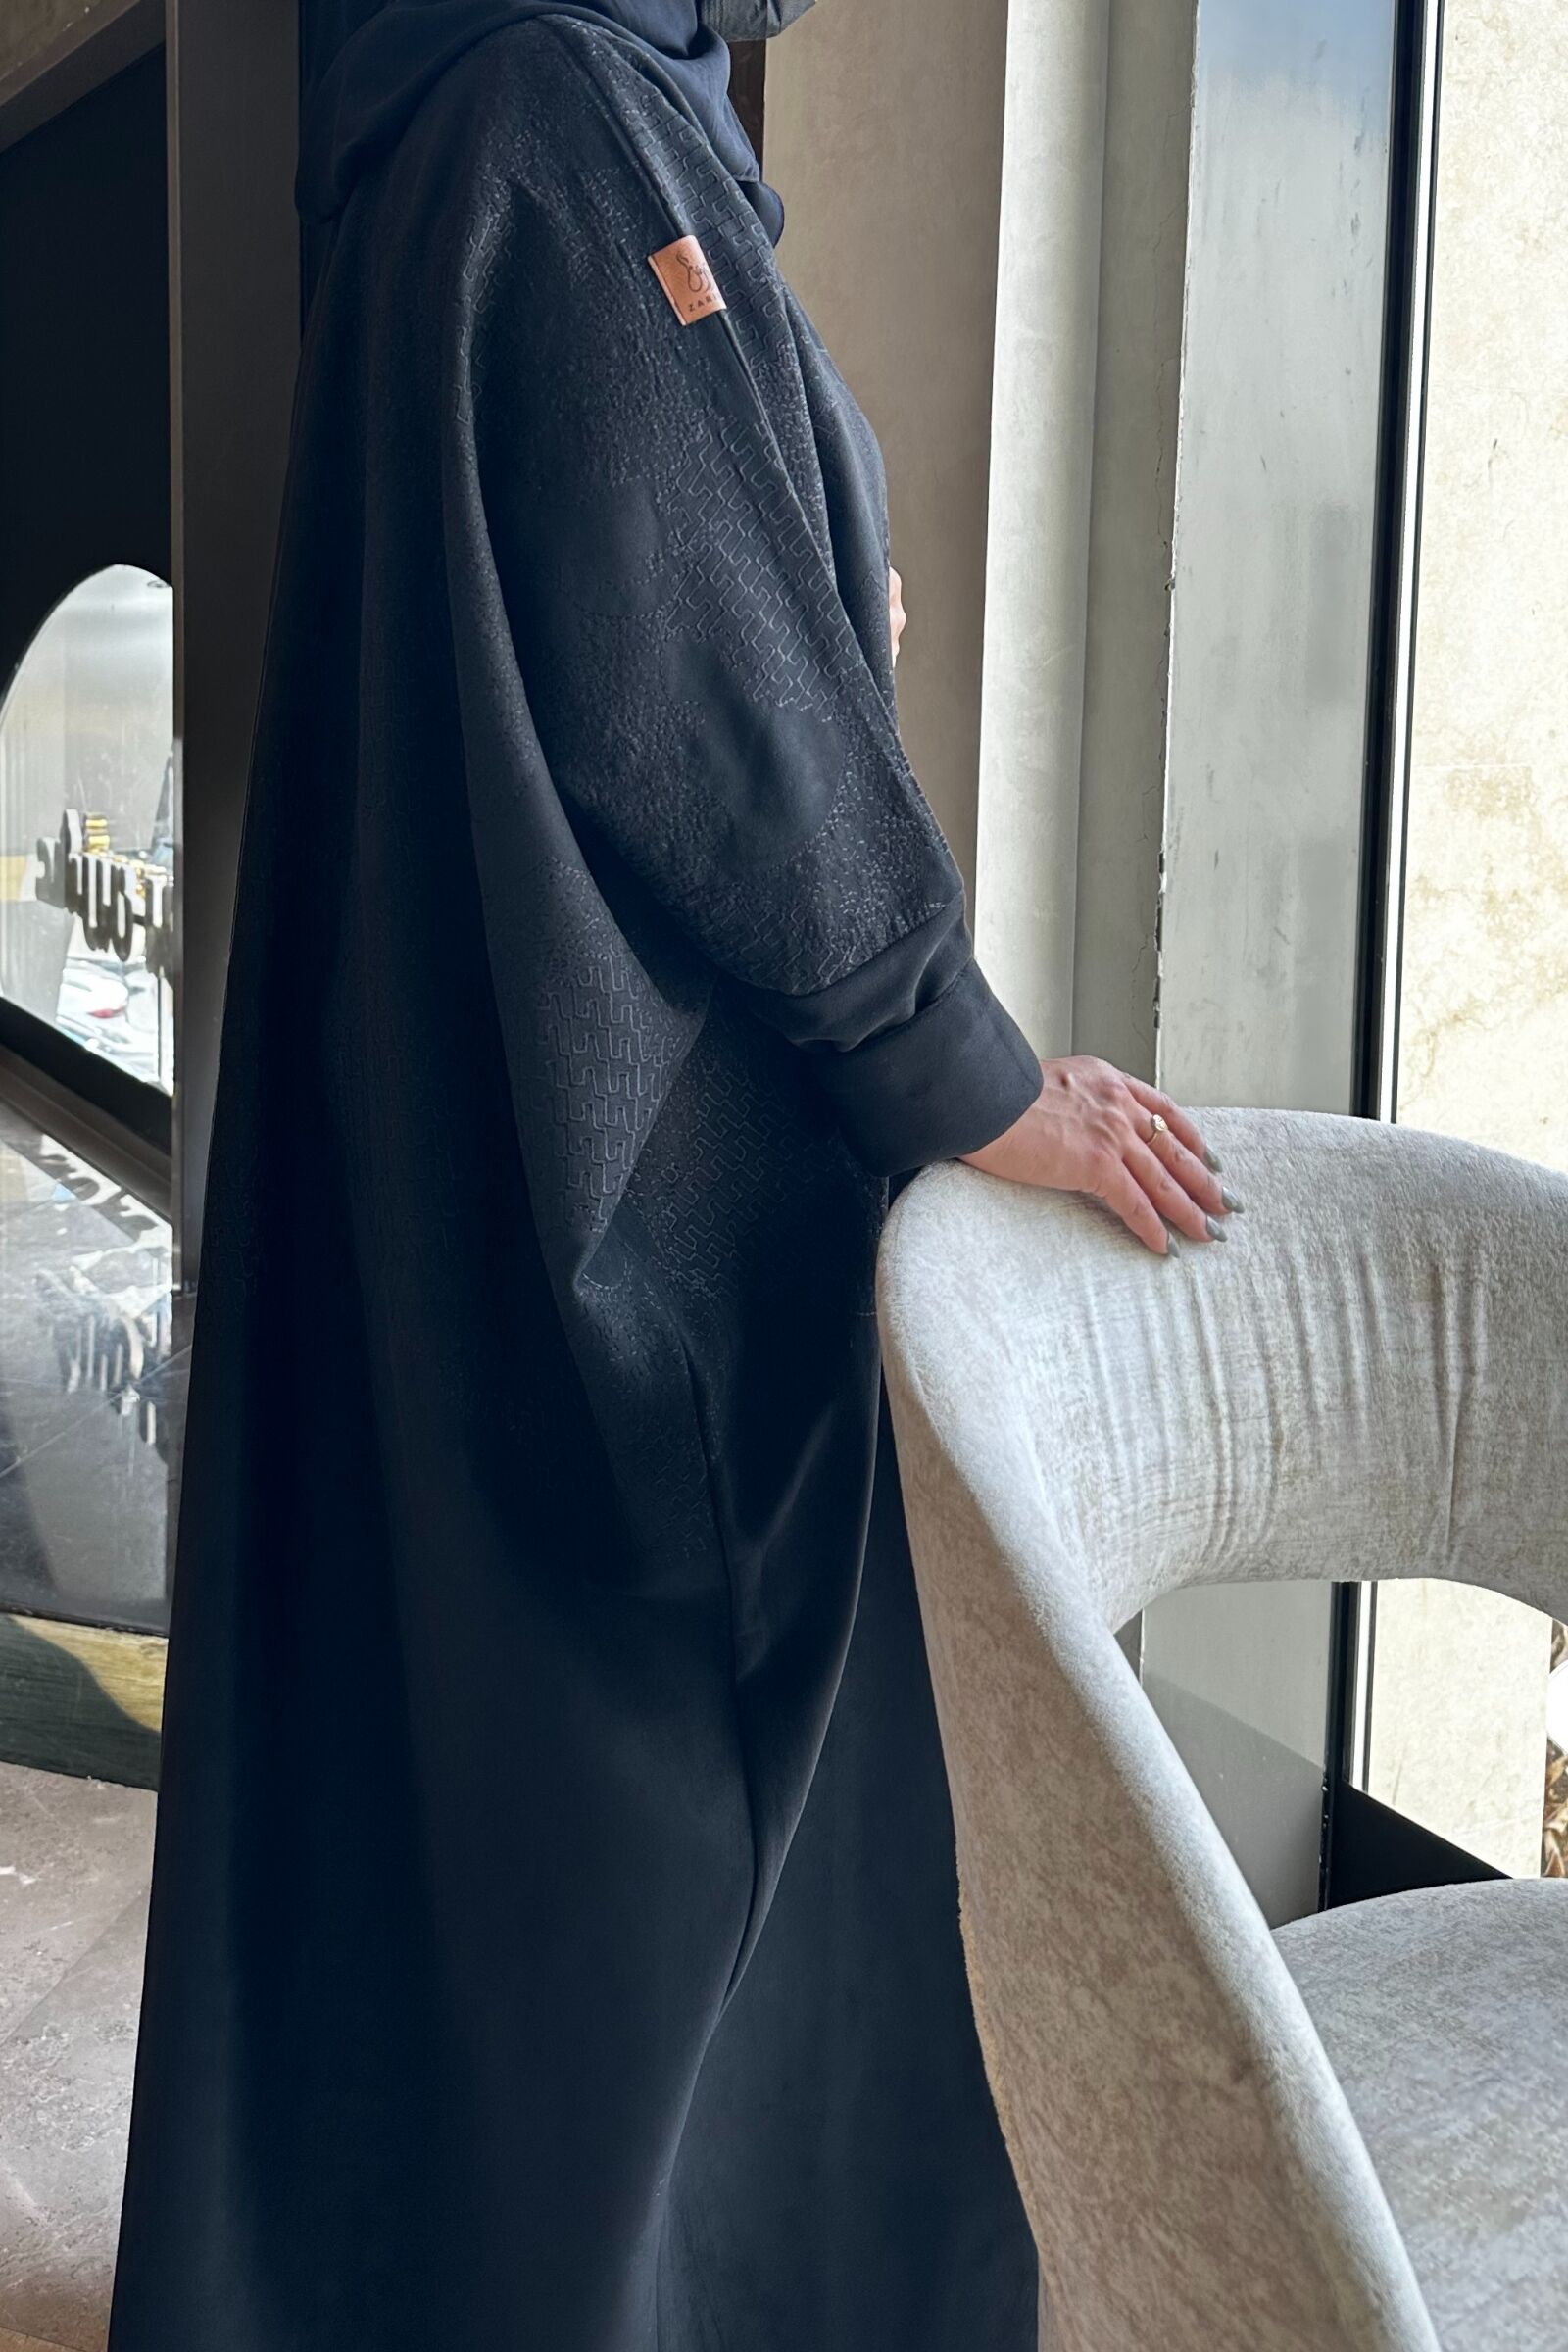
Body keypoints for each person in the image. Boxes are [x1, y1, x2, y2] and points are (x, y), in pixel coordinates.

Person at [108, 5, 1230, 2347]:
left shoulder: (461, 110)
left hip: (472, 1129)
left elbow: (660, 562)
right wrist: (958, 1067)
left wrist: (820, 565)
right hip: (629, 1177)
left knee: (483, 1872)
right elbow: (703, 674)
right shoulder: (559, 107)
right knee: (673, 1899)